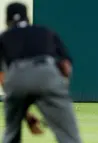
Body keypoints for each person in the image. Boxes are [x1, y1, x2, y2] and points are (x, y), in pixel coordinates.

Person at [0, 2, 82, 143]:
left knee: (11, 132)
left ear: (7, 20)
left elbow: (2, 76)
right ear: (28, 18)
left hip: (16, 77)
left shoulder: (4, 37)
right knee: (69, 136)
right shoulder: (45, 31)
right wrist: (60, 92)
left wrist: (21, 111)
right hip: (47, 74)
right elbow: (66, 65)